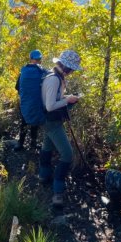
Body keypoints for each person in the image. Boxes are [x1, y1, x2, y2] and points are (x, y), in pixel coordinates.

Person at [39, 50, 82, 208]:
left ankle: (43, 176)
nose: (72, 72)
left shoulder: (55, 76)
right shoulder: (54, 80)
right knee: (67, 154)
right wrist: (67, 100)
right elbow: (50, 106)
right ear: (66, 67)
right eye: (71, 69)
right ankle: (58, 192)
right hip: (52, 121)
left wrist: (66, 98)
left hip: (49, 120)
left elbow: (52, 100)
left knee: (47, 146)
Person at [14, 49, 45, 151]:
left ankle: (20, 144)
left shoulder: (23, 71)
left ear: (30, 59)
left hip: (25, 103)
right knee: (34, 123)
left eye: (38, 59)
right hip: (36, 102)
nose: (37, 61)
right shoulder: (42, 72)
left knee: (24, 122)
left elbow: (17, 87)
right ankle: (33, 143)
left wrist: (25, 95)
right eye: (37, 59)